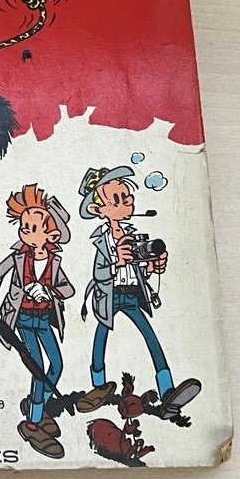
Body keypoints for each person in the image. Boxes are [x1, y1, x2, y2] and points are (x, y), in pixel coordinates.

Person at [78, 165, 201, 424]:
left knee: (150, 338)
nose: (127, 202)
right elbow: (99, 274)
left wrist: (152, 267)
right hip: (109, 296)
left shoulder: (133, 236)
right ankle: (98, 385)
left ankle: (167, 390)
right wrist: (117, 261)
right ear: (98, 210)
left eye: (127, 196)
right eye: (117, 200)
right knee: (100, 337)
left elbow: (139, 270)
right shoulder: (102, 241)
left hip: (132, 295)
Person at [0, 184, 82, 459]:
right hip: (22, 319)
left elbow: (69, 289)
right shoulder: (17, 258)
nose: (26, 232)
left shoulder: (54, 262)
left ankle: (37, 406)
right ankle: (33, 423)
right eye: (24, 227)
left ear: (52, 234)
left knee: (56, 366)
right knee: (38, 368)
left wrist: (49, 291)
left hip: (44, 320)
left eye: (33, 228)